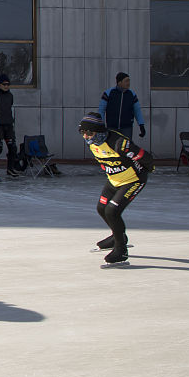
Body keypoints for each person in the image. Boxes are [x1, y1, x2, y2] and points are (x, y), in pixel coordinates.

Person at [77, 111, 153, 266]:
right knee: (101, 208)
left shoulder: (119, 143)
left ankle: (121, 249)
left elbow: (146, 157)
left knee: (112, 211)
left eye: (89, 133)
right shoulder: (93, 142)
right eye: (82, 133)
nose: (86, 137)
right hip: (114, 180)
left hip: (133, 180)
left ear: (98, 131)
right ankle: (118, 236)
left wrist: (146, 170)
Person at [99, 71, 145, 140]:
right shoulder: (108, 93)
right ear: (119, 82)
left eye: (129, 81)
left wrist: (141, 125)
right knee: (113, 148)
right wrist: (101, 125)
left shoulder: (131, 94)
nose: (128, 83)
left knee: (126, 148)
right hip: (112, 127)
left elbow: (137, 110)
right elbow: (101, 110)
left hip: (127, 128)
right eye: (126, 81)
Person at [0, 74, 20, 178]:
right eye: (4, 84)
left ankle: (10, 168)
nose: (6, 86)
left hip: (8, 125)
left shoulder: (10, 95)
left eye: (8, 84)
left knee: (13, 148)